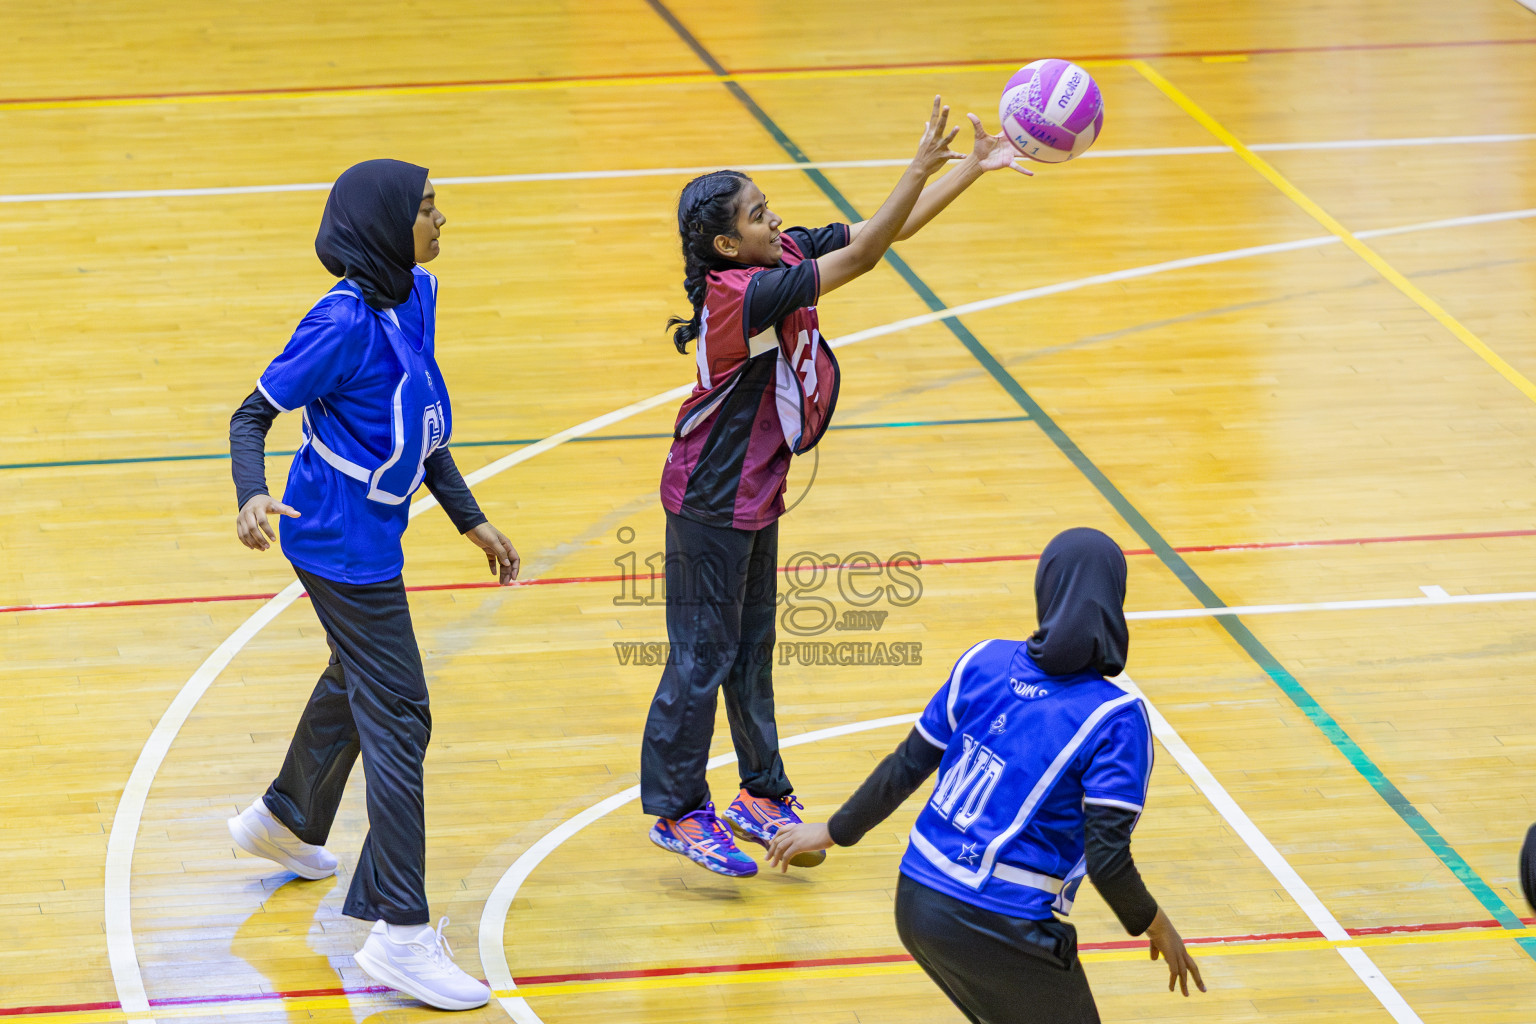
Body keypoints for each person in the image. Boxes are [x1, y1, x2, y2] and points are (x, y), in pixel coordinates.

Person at [641, 97, 1032, 878]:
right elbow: (861, 261)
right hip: (708, 501)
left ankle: (760, 794)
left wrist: (968, 172)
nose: (772, 215)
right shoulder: (740, 297)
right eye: (757, 212)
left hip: (752, 494)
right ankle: (678, 810)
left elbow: (878, 233)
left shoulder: (778, 256)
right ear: (726, 243)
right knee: (701, 657)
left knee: (751, 650)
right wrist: (919, 164)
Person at [225, 159, 520, 1011]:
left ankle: (283, 818)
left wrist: (469, 517)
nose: (440, 221)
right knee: (402, 714)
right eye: (428, 210)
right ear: (387, 225)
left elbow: (422, 423)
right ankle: (399, 932)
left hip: (370, 536)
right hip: (333, 544)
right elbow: (251, 414)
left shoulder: (416, 294)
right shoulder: (339, 322)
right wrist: (250, 495)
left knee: (358, 679)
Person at [767, 528, 1205, 1023]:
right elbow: (1106, 858)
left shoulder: (984, 660)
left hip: (916, 900)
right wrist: (1156, 924)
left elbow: (907, 763)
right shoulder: (1116, 719)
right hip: (998, 919)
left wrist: (832, 830)